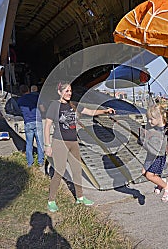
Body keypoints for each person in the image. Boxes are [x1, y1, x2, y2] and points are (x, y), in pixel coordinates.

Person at [44, 82, 115, 212]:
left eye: (70, 91)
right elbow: (47, 125)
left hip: (73, 142)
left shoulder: (74, 105)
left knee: (77, 170)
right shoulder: (55, 105)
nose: (69, 93)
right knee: (59, 172)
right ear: (60, 92)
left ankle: (80, 197)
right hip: (60, 142)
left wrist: (105, 110)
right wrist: (47, 145)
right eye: (66, 91)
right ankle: (51, 200)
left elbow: (91, 112)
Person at [138, 104, 168, 202]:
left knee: (150, 175)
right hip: (151, 154)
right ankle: (162, 182)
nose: (149, 121)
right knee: (144, 173)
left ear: (160, 117)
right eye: (148, 119)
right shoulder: (151, 127)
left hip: (159, 156)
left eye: (152, 119)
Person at [17, 85, 45, 168]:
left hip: (28, 123)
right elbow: (42, 109)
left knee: (29, 143)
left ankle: (30, 163)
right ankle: (40, 162)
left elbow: (19, 110)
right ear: (28, 90)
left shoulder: (20, 100)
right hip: (37, 121)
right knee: (40, 143)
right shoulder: (35, 97)